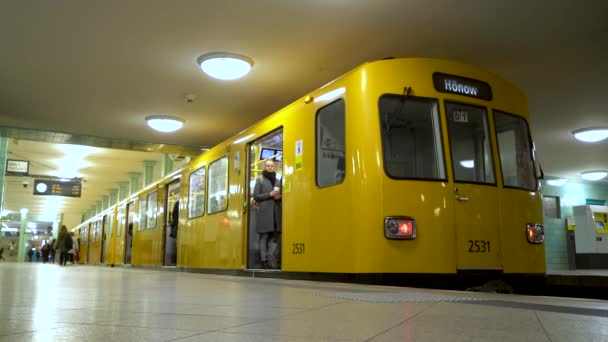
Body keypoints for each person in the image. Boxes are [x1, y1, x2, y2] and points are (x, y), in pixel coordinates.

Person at [253, 160, 282, 269]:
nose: (270, 167)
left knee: (274, 237)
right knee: (264, 237)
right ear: (264, 167)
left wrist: (279, 197)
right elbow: (256, 196)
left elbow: (281, 194)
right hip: (265, 213)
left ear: (275, 167)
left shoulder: (278, 181)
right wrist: (269, 194)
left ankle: (272, 260)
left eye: (272, 166)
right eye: (267, 166)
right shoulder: (260, 180)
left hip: (275, 213)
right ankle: (264, 260)